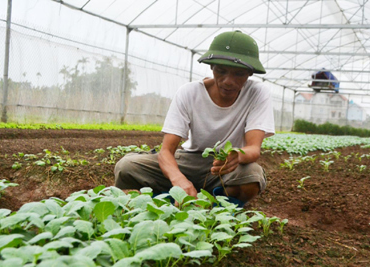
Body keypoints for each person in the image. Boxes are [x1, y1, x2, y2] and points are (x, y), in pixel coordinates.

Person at [114, 30, 275, 207]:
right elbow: (166, 151)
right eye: (221, 71)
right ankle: (177, 195)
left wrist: (237, 156)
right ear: (211, 67)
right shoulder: (189, 92)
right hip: (188, 160)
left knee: (252, 177)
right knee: (127, 167)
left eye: (239, 74)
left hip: (223, 167)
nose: (229, 81)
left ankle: (215, 208)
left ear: (250, 73)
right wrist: (179, 179)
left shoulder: (258, 93)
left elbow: (253, 148)